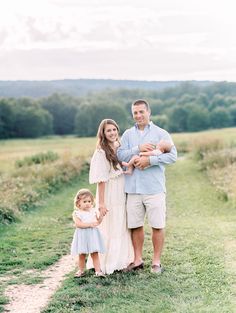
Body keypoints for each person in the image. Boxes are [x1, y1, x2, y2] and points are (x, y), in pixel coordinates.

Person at [117, 99, 177, 274]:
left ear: (149, 112)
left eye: (141, 112)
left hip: (154, 188)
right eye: (135, 112)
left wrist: (150, 160)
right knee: (135, 225)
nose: (138, 115)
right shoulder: (128, 135)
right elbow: (120, 154)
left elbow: (172, 156)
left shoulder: (161, 133)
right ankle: (137, 260)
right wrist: (137, 148)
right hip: (133, 189)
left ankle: (156, 262)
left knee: (157, 225)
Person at [88, 119, 134, 274]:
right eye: (109, 130)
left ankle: (122, 259)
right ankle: (107, 262)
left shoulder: (119, 146)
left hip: (121, 189)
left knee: (121, 223)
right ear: (103, 133)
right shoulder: (101, 151)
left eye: (114, 129)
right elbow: (101, 179)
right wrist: (101, 203)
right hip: (109, 191)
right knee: (110, 224)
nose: (113, 133)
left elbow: (120, 168)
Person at [71, 188, 105, 277]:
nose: (87, 204)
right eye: (84, 201)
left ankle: (98, 271)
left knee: (94, 253)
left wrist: (101, 215)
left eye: (89, 201)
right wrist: (90, 224)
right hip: (82, 235)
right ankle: (81, 270)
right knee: (82, 254)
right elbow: (78, 224)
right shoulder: (77, 213)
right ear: (78, 203)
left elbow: (98, 222)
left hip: (92, 235)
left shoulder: (93, 211)